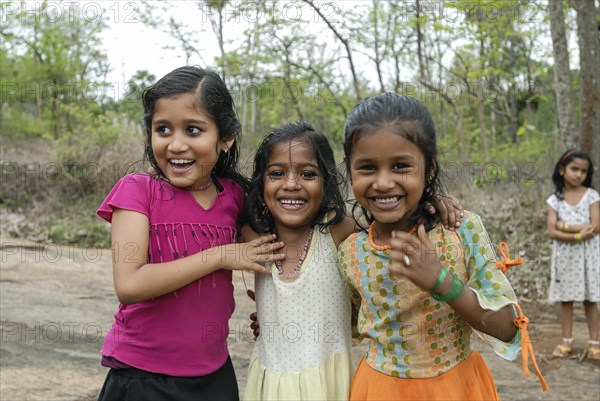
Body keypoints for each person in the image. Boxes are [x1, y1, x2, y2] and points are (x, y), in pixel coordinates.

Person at [95, 66, 284, 401]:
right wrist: (220, 255)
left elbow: (275, 253)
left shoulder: (235, 196)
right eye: (163, 129)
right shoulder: (138, 192)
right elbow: (129, 284)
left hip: (214, 377)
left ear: (226, 138)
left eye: (193, 130)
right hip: (143, 377)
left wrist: (276, 312)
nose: (176, 144)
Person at [242, 121, 464, 401]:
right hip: (269, 382)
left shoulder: (338, 230)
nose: (291, 184)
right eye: (276, 173)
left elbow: (392, 224)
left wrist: (431, 197)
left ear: (326, 182)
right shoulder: (251, 235)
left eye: (308, 174)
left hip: (328, 383)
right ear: (261, 181)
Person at [338, 93, 530, 400]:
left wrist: (443, 283)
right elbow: (347, 324)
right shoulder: (349, 251)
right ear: (350, 171)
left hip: (457, 388)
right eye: (367, 168)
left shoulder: (460, 231)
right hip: (379, 390)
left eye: (401, 166)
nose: (384, 182)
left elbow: (506, 327)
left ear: (428, 170)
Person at [546, 149, 599, 360]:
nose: (579, 174)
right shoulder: (554, 200)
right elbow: (552, 231)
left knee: (590, 299)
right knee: (566, 299)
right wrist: (578, 233)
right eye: (574, 169)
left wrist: (563, 225)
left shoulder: (592, 196)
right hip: (565, 256)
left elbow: (595, 226)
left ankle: (595, 343)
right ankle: (566, 341)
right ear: (562, 170)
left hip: (589, 257)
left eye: (583, 171)